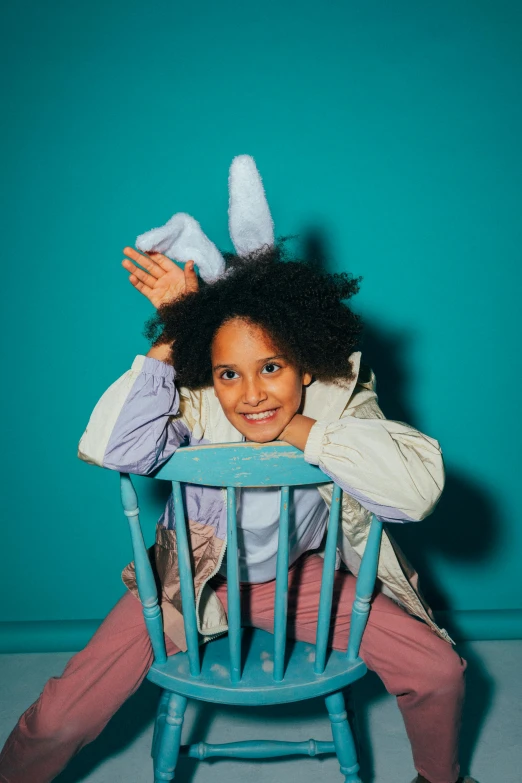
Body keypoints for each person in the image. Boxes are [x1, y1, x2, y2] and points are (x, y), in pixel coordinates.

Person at [0, 242, 478, 783]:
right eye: (229, 373)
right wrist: (174, 332)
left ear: (305, 366)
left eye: (271, 367)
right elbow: (116, 448)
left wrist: (298, 430)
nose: (251, 394)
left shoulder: (339, 400)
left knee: (438, 671)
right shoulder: (197, 399)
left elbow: (414, 492)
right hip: (196, 578)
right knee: (63, 713)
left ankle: (443, 779)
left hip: (302, 583)